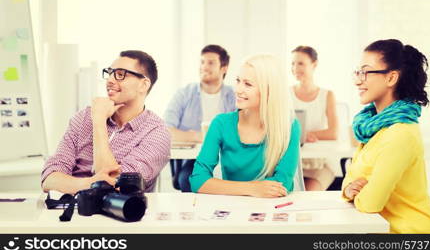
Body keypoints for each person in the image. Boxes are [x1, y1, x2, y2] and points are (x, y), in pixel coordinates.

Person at [342, 39, 430, 233]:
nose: (357, 80)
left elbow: (370, 203)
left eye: (365, 72)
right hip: (379, 228)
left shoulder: (400, 134)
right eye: (357, 72)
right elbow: (349, 180)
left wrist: (360, 193)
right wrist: (349, 190)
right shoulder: (372, 127)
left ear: (391, 78)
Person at [41, 50, 171, 194]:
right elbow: (49, 179)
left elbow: (116, 186)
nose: (110, 80)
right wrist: (90, 183)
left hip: (117, 213)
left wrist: (99, 122)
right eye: (109, 73)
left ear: (144, 85)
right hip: (70, 211)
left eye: (120, 75)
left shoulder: (157, 133)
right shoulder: (83, 118)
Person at [189, 54, 301, 197]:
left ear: (269, 90)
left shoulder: (289, 126)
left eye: (248, 84)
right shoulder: (221, 124)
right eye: (238, 81)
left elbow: (282, 183)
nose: (238, 90)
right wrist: (252, 189)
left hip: (274, 209)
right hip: (235, 209)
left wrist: (227, 187)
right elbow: (198, 180)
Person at [164, 45, 236, 192]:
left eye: (210, 63)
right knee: (188, 180)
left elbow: (243, 130)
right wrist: (201, 136)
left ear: (224, 68)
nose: (204, 67)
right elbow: (165, 130)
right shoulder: (184, 94)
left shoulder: (235, 96)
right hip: (195, 161)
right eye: (202, 62)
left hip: (228, 159)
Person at [290, 46, 338, 191]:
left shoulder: (327, 95)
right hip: (294, 161)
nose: (295, 68)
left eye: (301, 63)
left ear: (314, 65)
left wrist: (308, 135)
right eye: (292, 63)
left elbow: (333, 132)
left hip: (320, 163)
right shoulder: (285, 94)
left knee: (307, 194)